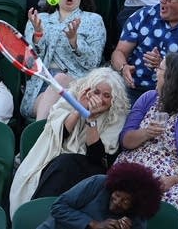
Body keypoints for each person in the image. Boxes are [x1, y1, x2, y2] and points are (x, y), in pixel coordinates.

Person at [9, 67, 130, 216]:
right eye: (96, 92)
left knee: (65, 163)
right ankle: (37, 214)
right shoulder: (72, 95)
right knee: (60, 163)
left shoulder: (116, 115)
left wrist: (91, 119)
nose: (100, 99)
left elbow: (96, 157)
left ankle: (43, 215)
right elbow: (60, 134)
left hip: (91, 168)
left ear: (114, 100)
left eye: (106, 95)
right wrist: (79, 109)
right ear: (88, 89)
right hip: (56, 154)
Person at [115, 52, 178, 226]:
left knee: (175, 203)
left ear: (172, 78)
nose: (156, 72)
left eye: (160, 69)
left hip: (170, 177)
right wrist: (145, 133)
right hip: (133, 168)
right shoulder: (148, 98)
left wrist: (173, 180)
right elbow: (125, 141)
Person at [22, 0, 105, 120]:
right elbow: (29, 62)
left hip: (77, 84)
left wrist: (74, 41)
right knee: (50, 109)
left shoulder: (93, 20)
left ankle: (38, 134)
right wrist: (38, 34)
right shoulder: (39, 19)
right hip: (40, 85)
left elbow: (93, 62)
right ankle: (44, 134)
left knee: (60, 79)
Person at [37, 162, 163, 229]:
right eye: (117, 195)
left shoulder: (138, 216)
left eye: (125, 201)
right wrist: (93, 224)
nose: (117, 202)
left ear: (135, 204)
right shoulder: (98, 183)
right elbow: (58, 207)